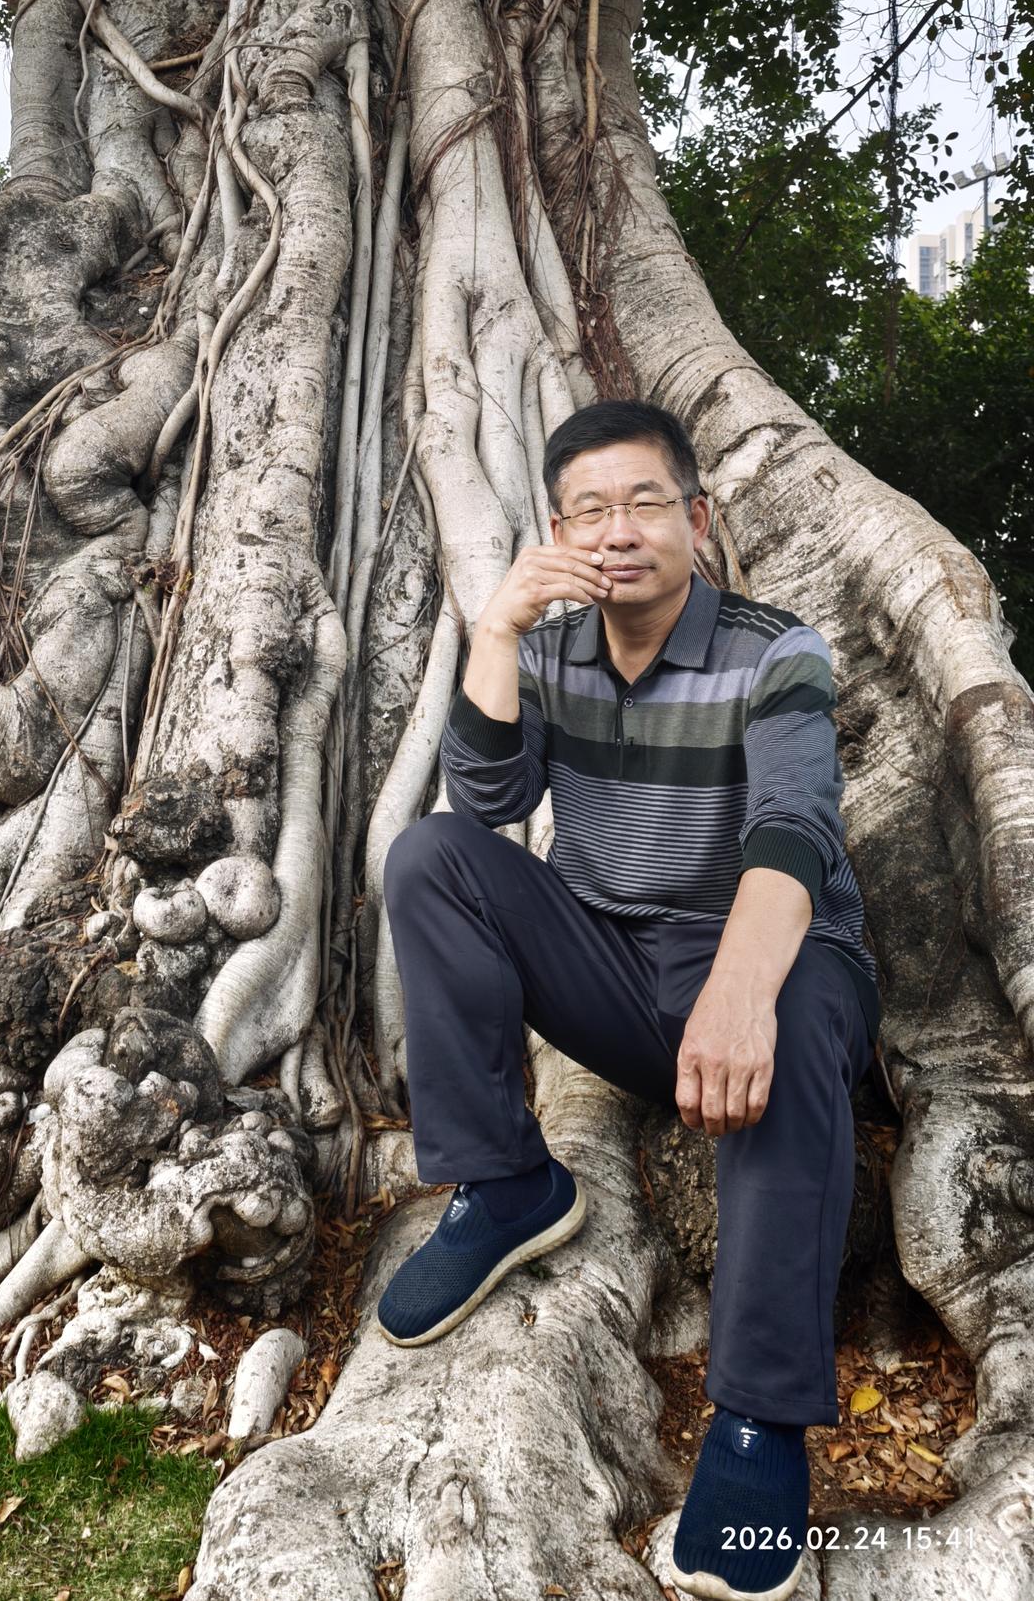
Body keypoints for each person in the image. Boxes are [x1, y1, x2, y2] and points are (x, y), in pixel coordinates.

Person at [377, 400, 880, 1601]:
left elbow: (795, 826)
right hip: (609, 961)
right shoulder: (548, 653)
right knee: (430, 857)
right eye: (587, 510)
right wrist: (495, 625)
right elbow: (487, 802)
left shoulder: (774, 650)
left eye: (644, 501)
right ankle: (506, 1183)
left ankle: (757, 1416)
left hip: (765, 957)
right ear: (558, 532)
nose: (617, 530)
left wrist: (740, 993)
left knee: (799, 1005)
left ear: (694, 520)